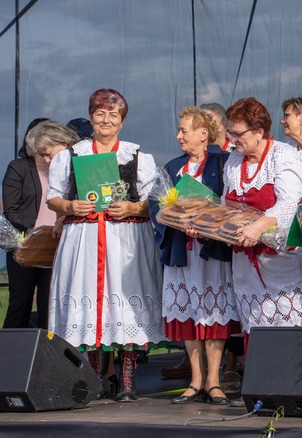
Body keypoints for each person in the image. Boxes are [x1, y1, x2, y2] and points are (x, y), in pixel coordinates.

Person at [46, 88, 164, 402]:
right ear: (91, 117)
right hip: (84, 238)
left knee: (124, 304)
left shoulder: (137, 155)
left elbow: (154, 200)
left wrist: (133, 208)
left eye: (113, 115)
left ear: (122, 121)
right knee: (88, 304)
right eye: (100, 114)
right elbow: (53, 197)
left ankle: (126, 381)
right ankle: (94, 378)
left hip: (124, 239)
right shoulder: (71, 155)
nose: (106, 120)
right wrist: (70, 207)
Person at [150, 107, 238, 405]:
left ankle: (214, 380)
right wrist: (175, 218)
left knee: (213, 313)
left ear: (203, 134)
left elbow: (233, 203)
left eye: (183, 130)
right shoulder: (173, 167)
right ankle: (196, 379)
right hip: (182, 252)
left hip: (211, 251)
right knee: (188, 311)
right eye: (179, 130)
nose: (178, 136)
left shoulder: (224, 163)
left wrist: (206, 222)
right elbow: (155, 205)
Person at [224, 97, 302, 333]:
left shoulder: (283, 155)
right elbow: (225, 202)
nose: (232, 140)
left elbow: (289, 203)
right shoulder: (234, 159)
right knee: (255, 328)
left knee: (285, 328)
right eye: (230, 133)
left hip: (282, 262)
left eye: (238, 134)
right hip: (245, 263)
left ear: (259, 131)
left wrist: (258, 227)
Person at [2, 120, 79, 329]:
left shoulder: (70, 167)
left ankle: (48, 356)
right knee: (20, 302)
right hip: (25, 246)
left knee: (50, 304)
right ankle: (10, 356)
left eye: (48, 152)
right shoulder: (18, 168)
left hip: (57, 245)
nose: (46, 158)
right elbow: (11, 209)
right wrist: (35, 232)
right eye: (41, 153)